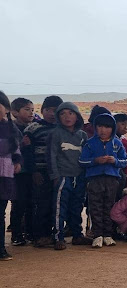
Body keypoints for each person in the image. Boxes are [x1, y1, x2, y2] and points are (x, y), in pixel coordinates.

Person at [47, 102, 93, 250]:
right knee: (60, 207)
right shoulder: (55, 134)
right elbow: (51, 156)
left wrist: (86, 176)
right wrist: (55, 175)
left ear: (77, 116)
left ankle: (77, 234)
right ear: (58, 117)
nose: (67, 117)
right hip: (63, 176)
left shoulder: (82, 135)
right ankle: (58, 237)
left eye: (71, 113)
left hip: (79, 176)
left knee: (77, 206)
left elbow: (87, 157)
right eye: (62, 113)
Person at [79, 112, 127, 248]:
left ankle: (108, 234)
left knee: (109, 206)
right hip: (95, 179)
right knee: (95, 207)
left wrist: (115, 161)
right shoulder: (90, 143)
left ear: (112, 128)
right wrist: (95, 161)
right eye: (100, 126)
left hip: (112, 179)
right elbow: (82, 161)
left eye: (107, 127)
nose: (103, 130)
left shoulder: (117, 143)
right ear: (95, 127)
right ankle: (97, 235)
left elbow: (125, 160)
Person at [24, 95, 63, 247]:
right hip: (40, 172)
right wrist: (34, 171)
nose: (52, 114)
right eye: (48, 110)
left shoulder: (62, 129)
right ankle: (39, 235)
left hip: (58, 172)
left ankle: (52, 233)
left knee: (56, 204)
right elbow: (27, 153)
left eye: (55, 111)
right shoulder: (33, 128)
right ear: (42, 110)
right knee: (42, 203)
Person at [9, 97, 34, 246]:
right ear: (14, 112)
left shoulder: (33, 128)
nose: (31, 113)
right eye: (26, 109)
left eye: (32, 110)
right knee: (19, 203)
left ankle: (30, 232)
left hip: (31, 170)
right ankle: (16, 234)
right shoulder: (11, 129)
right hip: (17, 173)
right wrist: (22, 145)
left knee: (32, 202)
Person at [0, 91, 23, 260]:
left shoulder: (10, 128)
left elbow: (16, 148)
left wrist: (17, 162)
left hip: (5, 176)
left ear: (6, 109)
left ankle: (0, 248)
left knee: (1, 213)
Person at [114, 113, 127, 189]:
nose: (125, 128)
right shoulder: (106, 139)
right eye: (122, 124)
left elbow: (125, 161)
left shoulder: (124, 141)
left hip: (121, 174)